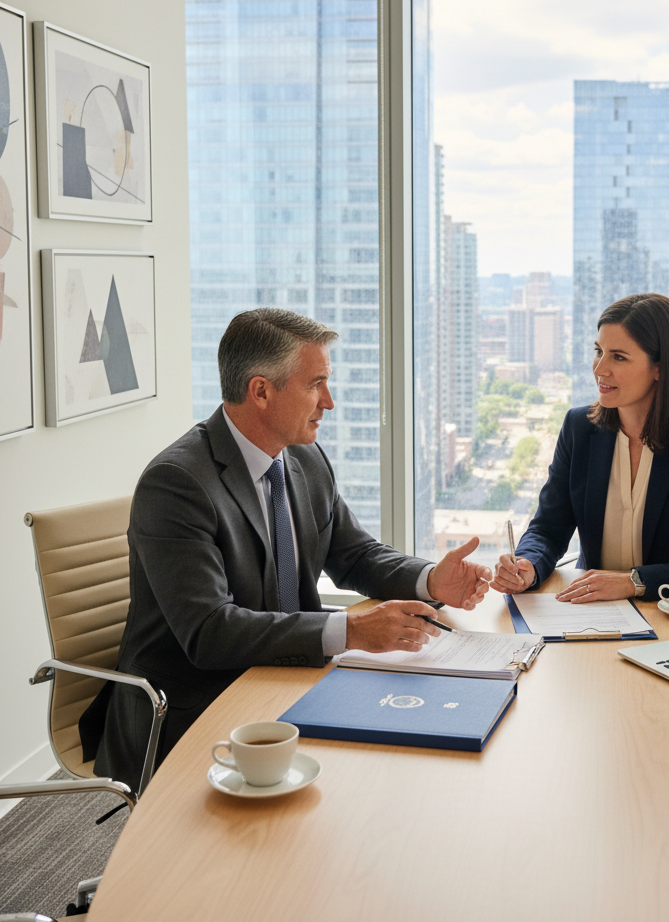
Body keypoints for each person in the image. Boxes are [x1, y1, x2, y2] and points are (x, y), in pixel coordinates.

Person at [84, 309, 490, 786]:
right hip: (192, 704)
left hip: (286, 677)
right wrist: (352, 631)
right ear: (261, 391)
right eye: (316, 383)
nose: (330, 402)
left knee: (413, 752)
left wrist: (429, 579)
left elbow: (354, 554)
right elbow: (209, 631)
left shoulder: (303, 456)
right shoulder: (177, 484)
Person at [492, 293, 669, 603]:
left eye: (618, 356)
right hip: (588, 609)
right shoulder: (579, 428)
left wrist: (635, 582)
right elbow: (548, 528)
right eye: (598, 351)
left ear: (660, 366)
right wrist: (528, 565)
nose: (600, 369)